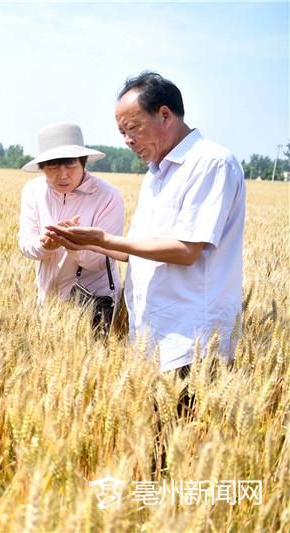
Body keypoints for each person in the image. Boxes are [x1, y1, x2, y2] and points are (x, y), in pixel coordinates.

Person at [47, 72, 245, 375]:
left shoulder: (210, 163)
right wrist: (84, 241)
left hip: (191, 340)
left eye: (133, 128)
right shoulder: (157, 172)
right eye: (122, 133)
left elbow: (186, 250)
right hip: (153, 336)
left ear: (165, 114)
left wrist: (103, 239)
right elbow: (136, 250)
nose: (128, 141)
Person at [18, 122, 124, 334]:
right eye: (53, 167)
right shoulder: (33, 191)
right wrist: (44, 244)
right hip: (48, 301)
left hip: (94, 302)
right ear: (42, 168)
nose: (63, 175)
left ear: (83, 163)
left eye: (70, 166)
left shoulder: (107, 196)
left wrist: (73, 245)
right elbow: (25, 243)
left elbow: (104, 258)